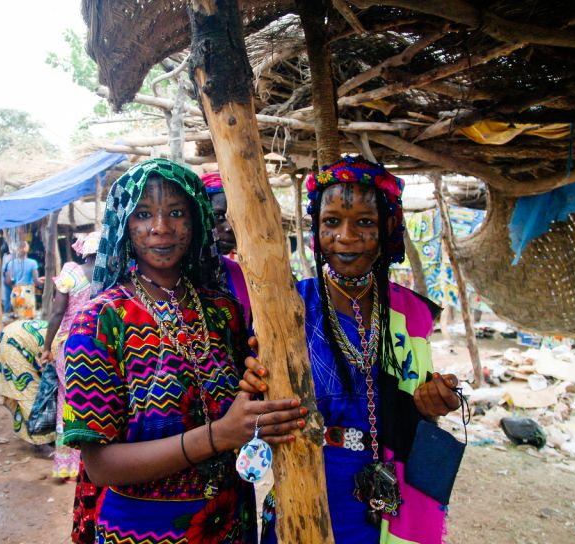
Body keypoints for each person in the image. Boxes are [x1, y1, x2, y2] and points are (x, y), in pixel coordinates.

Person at [62, 158, 306, 544]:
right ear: (124, 223)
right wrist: (219, 436)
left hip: (229, 522)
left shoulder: (222, 311)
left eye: (176, 212)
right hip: (141, 530)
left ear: (196, 223)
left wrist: (260, 382)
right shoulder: (100, 319)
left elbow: (247, 409)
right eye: (144, 214)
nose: (161, 227)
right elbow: (101, 466)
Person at [242, 156, 461, 544]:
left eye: (364, 222)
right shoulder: (289, 308)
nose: (346, 236)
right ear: (316, 226)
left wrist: (430, 403)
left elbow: (406, 408)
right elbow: (257, 404)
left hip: (389, 495)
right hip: (306, 487)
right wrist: (254, 384)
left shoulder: (410, 313)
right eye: (332, 222)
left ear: (388, 227)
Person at [40, 231, 100, 481]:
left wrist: (46, 347)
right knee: (97, 401)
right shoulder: (108, 276)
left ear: (84, 250)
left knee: (69, 402)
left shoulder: (71, 273)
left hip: (72, 346)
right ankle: (94, 463)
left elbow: (57, 313)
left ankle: (68, 465)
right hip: (100, 345)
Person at [0, 319, 55, 451]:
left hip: (23, 339)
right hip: (14, 342)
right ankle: (39, 443)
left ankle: (45, 435)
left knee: (42, 392)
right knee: (30, 394)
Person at [201, 171, 251, 324]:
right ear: (200, 214)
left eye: (237, 218)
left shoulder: (243, 275)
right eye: (219, 216)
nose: (230, 228)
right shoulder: (171, 275)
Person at [5, 240, 43, 319]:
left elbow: (7, 281)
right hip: (27, 293)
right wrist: (43, 280)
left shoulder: (11, 263)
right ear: (26, 249)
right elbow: (36, 281)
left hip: (16, 292)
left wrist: (15, 286)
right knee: (28, 321)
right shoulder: (32, 263)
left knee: (19, 319)